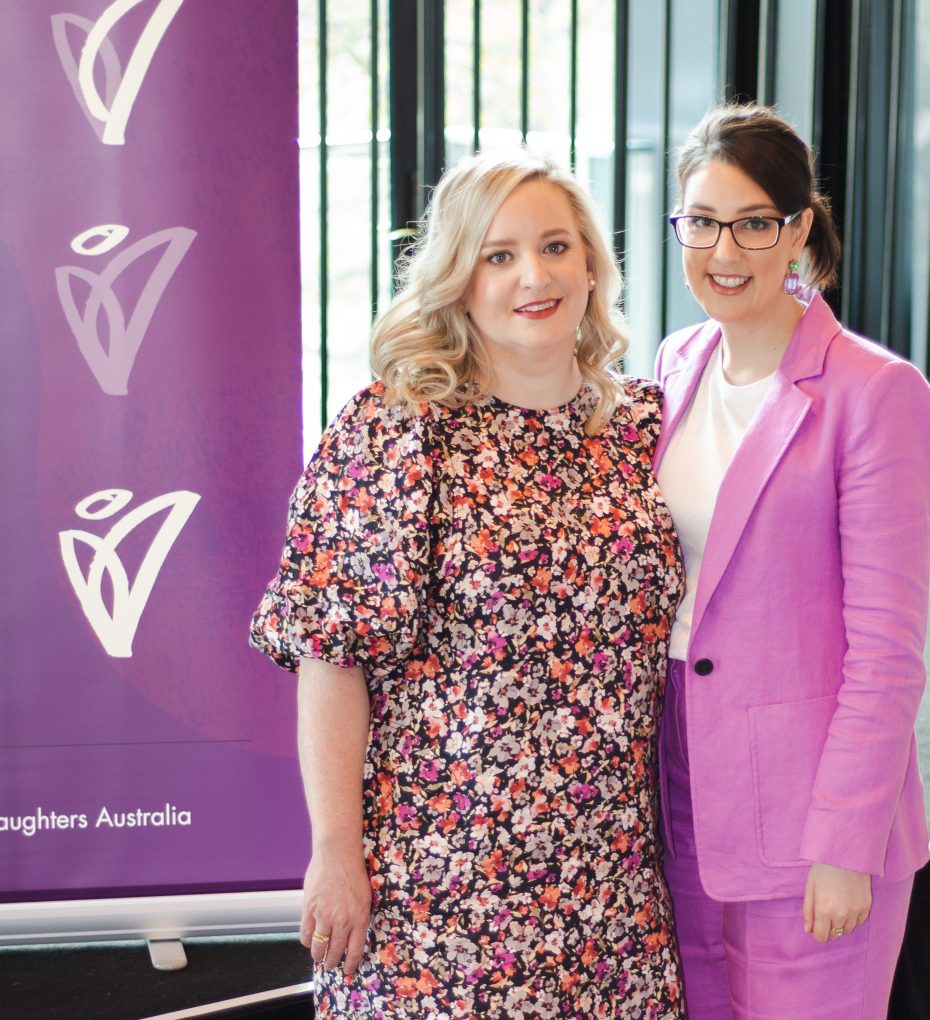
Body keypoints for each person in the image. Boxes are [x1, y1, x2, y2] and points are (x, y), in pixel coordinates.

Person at [250, 151, 686, 1019]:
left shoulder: (648, 425)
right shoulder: (399, 434)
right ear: (458, 276)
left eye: (557, 245)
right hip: (438, 885)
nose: (536, 274)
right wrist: (335, 849)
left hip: (611, 886)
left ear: (593, 262)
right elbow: (332, 656)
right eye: (499, 254)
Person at [653, 103, 930, 1019]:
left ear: (799, 230)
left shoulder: (877, 394)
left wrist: (846, 842)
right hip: (684, 785)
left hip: (812, 805)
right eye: (701, 221)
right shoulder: (675, 364)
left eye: (752, 223)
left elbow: (888, 651)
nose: (723, 251)